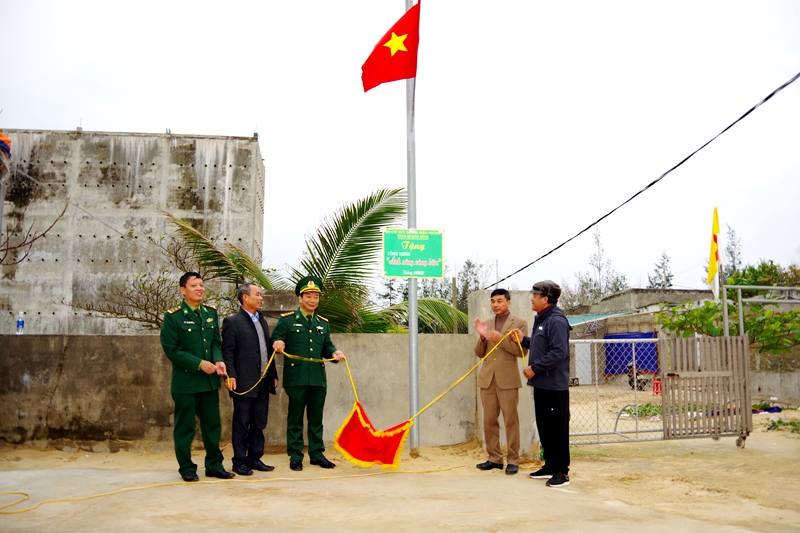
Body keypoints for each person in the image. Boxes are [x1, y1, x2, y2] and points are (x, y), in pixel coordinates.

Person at [160, 271, 235, 482]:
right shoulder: (173, 316)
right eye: (194, 285)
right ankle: (186, 467)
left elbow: (215, 343)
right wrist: (199, 363)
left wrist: (219, 360)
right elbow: (171, 349)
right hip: (186, 382)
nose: (199, 289)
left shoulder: (210, 313)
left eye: (201, 285)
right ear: (183, 290)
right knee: (185, 427)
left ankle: (214, 465)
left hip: (209, 383)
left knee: (212, 425)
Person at [271, 275, 345, 471]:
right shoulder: (286, 321)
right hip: (296, 378)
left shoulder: (323, 323)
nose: (312, 300)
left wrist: (334, 352)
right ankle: (295, 455)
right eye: (308, 296)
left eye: (316, 297)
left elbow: (327, 345)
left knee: (316, 418)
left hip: (318, 378)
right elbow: (277, 338)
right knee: (295, 418)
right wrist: (278, 343)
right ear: (300, 298)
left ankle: (316, 454)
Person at [511, 280, 573, 488]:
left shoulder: (556, 321)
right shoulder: (542, 320)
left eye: (535, 295)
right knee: (545, 427)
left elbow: (558, 353)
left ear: (545, 299)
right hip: (542, 384)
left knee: (557, 429)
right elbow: (541, 346)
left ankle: (562, 472)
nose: (532, 298)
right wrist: (524, 339)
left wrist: (535, 368)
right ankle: (550, 465)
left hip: (555, 386)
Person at [222, 282, 279, 476]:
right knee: (241, 422)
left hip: (263, 380)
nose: (261, 298)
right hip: (244, 381)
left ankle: (254, 458)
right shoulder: (233, 321)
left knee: (259, 422)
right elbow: (227, 352)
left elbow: (268, 348)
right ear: (245, 298)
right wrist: (231, 375)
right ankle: (239, 461)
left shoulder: (261, 319)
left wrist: (273, 374)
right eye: (257, 294)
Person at [473, 289, 529, 475]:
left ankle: (513, 460)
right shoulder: (487, 324)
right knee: (489, 421)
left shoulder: (520, 323)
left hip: (508, 380)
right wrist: (482, 337)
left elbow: (522, 352)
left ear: (508, 302)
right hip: (487, 379)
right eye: (493, 302)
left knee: (511, 420)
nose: (495, 305)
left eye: (499, 301)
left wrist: (501, 339)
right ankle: (494, 458)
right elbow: (480, 353)